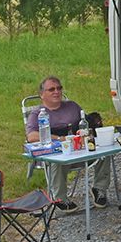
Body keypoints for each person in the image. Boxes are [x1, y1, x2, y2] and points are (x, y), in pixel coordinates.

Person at [24, 75, 90, 211]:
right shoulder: (37, 114)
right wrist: (60, 139)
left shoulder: (72, 106)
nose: (57, 92)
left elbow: (86, 124)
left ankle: (99, 189)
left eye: (59, 88)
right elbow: (31, 136)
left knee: (105, 152)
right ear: (42, 95)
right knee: (57, 159)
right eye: (51, 89)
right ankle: (59, 199)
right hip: (59, 153)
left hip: (79, 150)